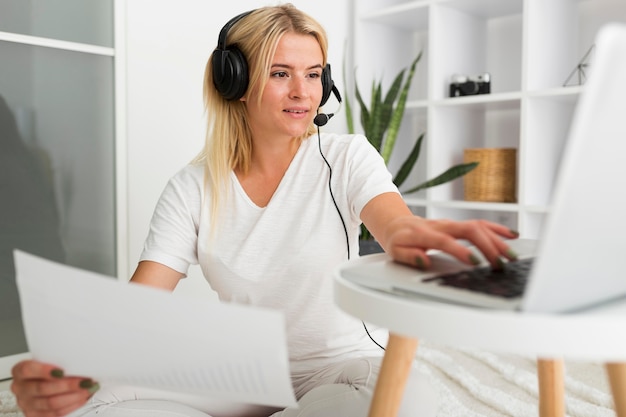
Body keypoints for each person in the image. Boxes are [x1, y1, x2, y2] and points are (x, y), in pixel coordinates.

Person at [10, 4, 519, 417]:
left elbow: (395, 223)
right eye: (281, 73)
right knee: (88, 402)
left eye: (314, 74)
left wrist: (411, 234)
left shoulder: (346, 156)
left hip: (343, 365)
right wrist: (70, 374)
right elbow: (140, 307)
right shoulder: (192, 187)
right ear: (235, 81)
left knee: (408, 404)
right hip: (242, 370)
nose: (303, 92)